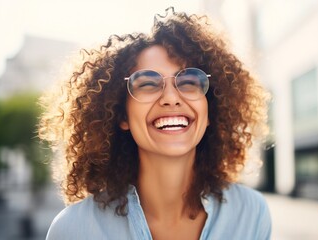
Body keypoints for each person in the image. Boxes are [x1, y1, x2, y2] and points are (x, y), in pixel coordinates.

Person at [39, 7, 271, 240]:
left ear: (209, 110)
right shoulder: (71, 230)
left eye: (189, 81)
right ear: (122, 115)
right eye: (148, 84)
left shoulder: (251, 214)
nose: (171, 98)